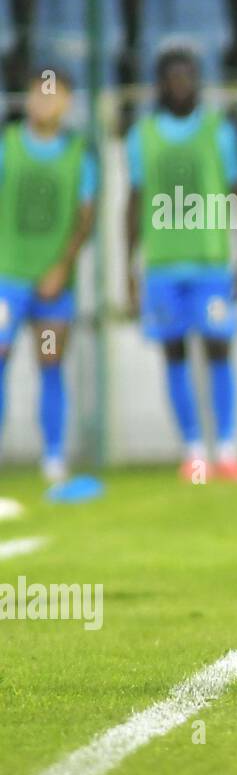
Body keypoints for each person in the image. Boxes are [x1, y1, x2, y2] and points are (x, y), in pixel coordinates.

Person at [125, 48, 237, 483]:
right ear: (161, 84)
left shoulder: (220, 131)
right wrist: (129, 267)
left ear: (198, 80)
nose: (181, 84)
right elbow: (134, 201)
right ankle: (194, 450)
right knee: (173, 351)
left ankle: (229, 448)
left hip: (211, 262)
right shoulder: (142, 134)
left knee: (219, 347)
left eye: (188, 76)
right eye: (172, 77)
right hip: (162, 263)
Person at [0, 68, 97, 482]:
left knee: (50, 361)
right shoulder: (8, 147)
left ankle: (53, 457)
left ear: (67, 102)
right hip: (7, 280)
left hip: (53, 287)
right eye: (38, 94)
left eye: (53, 95)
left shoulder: (79, 154)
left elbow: (85, 218)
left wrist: (62, 266)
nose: (44, 102)